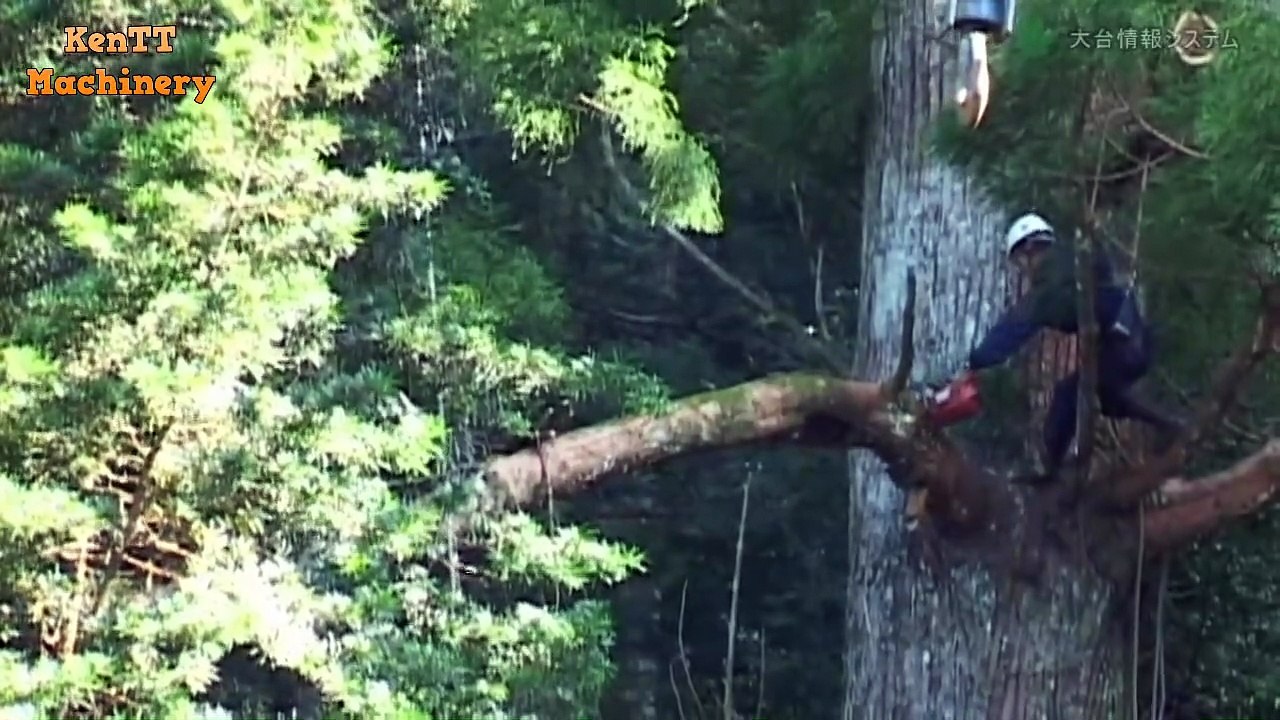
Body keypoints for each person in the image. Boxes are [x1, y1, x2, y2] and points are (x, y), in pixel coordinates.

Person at [960, 212, 1183, 479]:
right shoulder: (1073, 260)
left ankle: (1047, 468)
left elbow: (1014, 327)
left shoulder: (1051, 283)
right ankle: (1169, 424)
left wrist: (977, 360)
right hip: (1136, 339)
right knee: (1110, 399)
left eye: (1021, 261)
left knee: (1068, 393)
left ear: (1030, 249)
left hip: (1124, 345)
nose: (1023, 269)